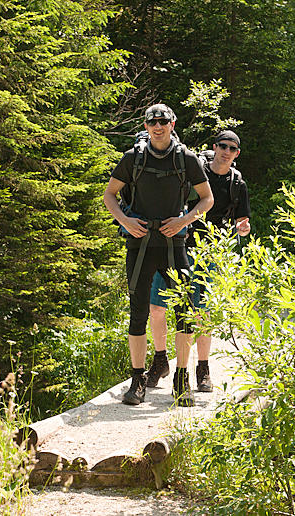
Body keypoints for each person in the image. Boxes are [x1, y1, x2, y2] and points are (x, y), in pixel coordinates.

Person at [103, 104, 213, 407]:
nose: (158, 126)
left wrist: (183, 220)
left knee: (184, 312)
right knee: (138, 311)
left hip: (173, 243)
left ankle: (181, 379)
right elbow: (109, 195)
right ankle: (137, 380)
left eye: (163, 121)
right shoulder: (133, 158)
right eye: (153, 122)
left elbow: (207, 199)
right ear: (147, 125)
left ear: (173, 124)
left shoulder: (185, 159)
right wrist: (125, 221)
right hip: (139, 244)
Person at [145, 130, 251, 393]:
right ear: (215, 147)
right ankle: (160, 359)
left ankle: (202, 368)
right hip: (177, 244)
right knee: (157, 306)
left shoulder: (237, 184)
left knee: (202, 313)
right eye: (223, 146)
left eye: (232, 149)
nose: (226, 152)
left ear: (237, 154)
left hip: (211, 252)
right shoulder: (195, 171)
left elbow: (241, 221)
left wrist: (243, 229)